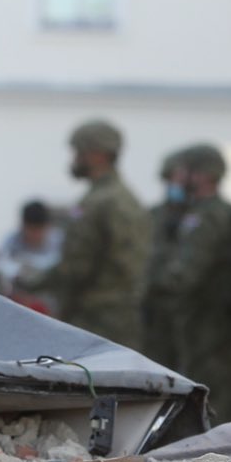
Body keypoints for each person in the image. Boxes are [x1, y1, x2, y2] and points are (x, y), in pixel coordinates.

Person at [37, 119, 151, 348]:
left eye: (79, 152)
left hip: (96, 319)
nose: (74, 159)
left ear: (98, 154)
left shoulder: (100, 202)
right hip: (119, 316)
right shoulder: (124, 198)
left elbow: (77, 266)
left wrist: (35, 282)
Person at [164, 144, 231, 424]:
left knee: (212, 403)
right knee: (226, 394)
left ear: (201, 174)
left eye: (186, 172)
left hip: (207, 327)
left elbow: (187, 273)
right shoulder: (225, 212)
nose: (181, 179)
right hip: (220, 326)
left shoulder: (206, 216)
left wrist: (159, 282)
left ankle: (220, 460)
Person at [139, 149, 192, 371]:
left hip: (188, 311)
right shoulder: (153, 216)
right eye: (173, 178)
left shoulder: (199, 216)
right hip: (156, 310)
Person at [0, 200, 63, 299]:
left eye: (39, 230)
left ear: (47, 227)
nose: (35, 235)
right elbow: (4, 264)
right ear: (23, 226)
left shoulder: (58, 240)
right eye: (31, 229)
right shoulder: (11, 240)